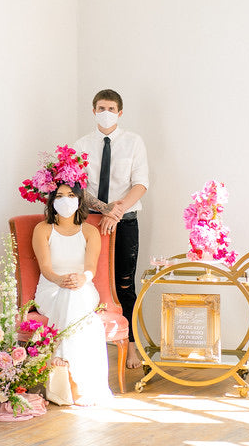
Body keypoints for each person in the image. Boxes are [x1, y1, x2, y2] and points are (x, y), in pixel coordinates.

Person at [19, 146, 112, 406]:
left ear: (79, 200)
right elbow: (46, 268)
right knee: (72, 300)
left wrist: (82, 278)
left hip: (84, 286)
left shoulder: (90, 231)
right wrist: (60, 280)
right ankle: (78, 384)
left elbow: (90, 267)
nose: (65, 200)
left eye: (71, 195)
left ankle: (64, 366)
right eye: (59, 196)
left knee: (76, 294)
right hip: (50, 288)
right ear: (52, 201)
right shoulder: (43, 229)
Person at [74, 89, 149, 369]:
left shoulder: (133, 142)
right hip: (90, 221)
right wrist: (104, 210)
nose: (105, 112)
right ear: (93, 111)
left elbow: (140, 183)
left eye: (111, 108)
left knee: (124, 285)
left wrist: (116, 211)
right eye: (100, 107)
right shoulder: (80, 145)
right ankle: (88, 347)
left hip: (125, 221)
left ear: (119, 112)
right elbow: (77, 187)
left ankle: (131, 347)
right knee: (89, 283)